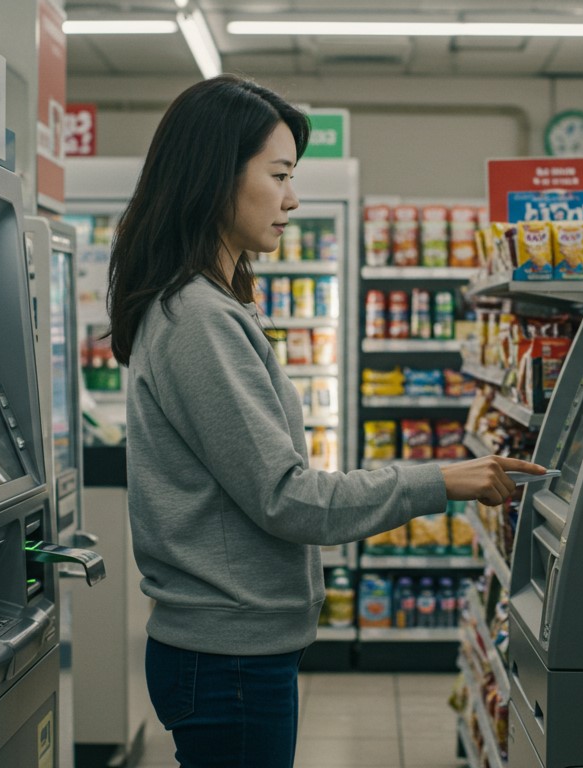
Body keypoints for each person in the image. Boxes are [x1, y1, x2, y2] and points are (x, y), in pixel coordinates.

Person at [105, 74, 546, 768]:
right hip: (229, 658)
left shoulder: (209, 306)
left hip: (230, 649)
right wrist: (442, 480)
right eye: (279, 175)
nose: (293, 198)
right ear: (215, 176)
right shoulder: (198, 320)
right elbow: (288, 499)